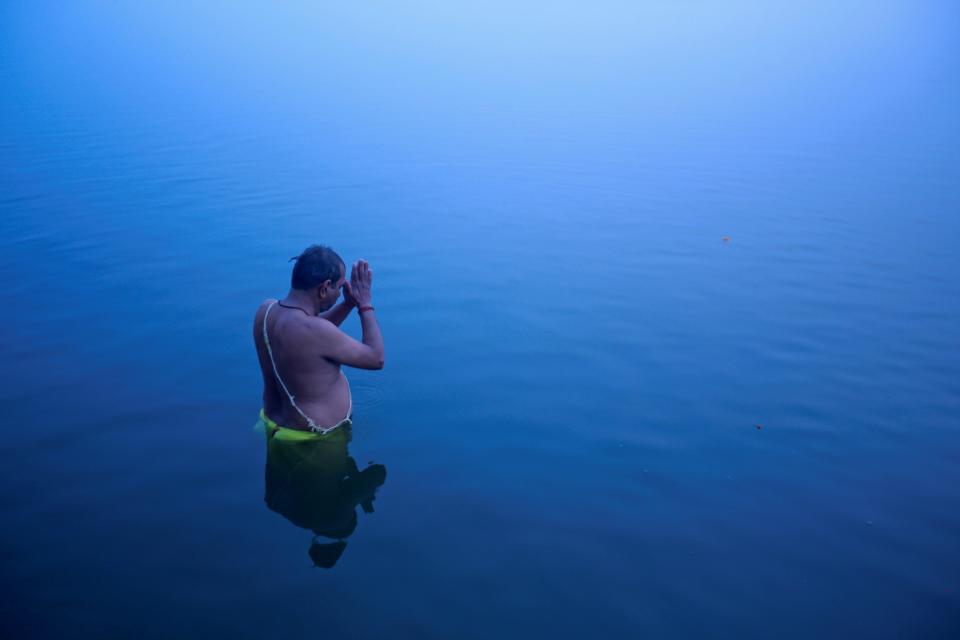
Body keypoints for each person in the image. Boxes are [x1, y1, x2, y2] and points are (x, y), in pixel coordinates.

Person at [253, 244, 384, 435]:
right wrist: (365, 305)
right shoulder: (314, 331)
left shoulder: (266, 310)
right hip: (313, 441)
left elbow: (309, 334)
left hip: (272, 422)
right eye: (339, 287)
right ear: (324, 289)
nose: (340, 293)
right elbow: (376, 358)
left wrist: (347, 304)